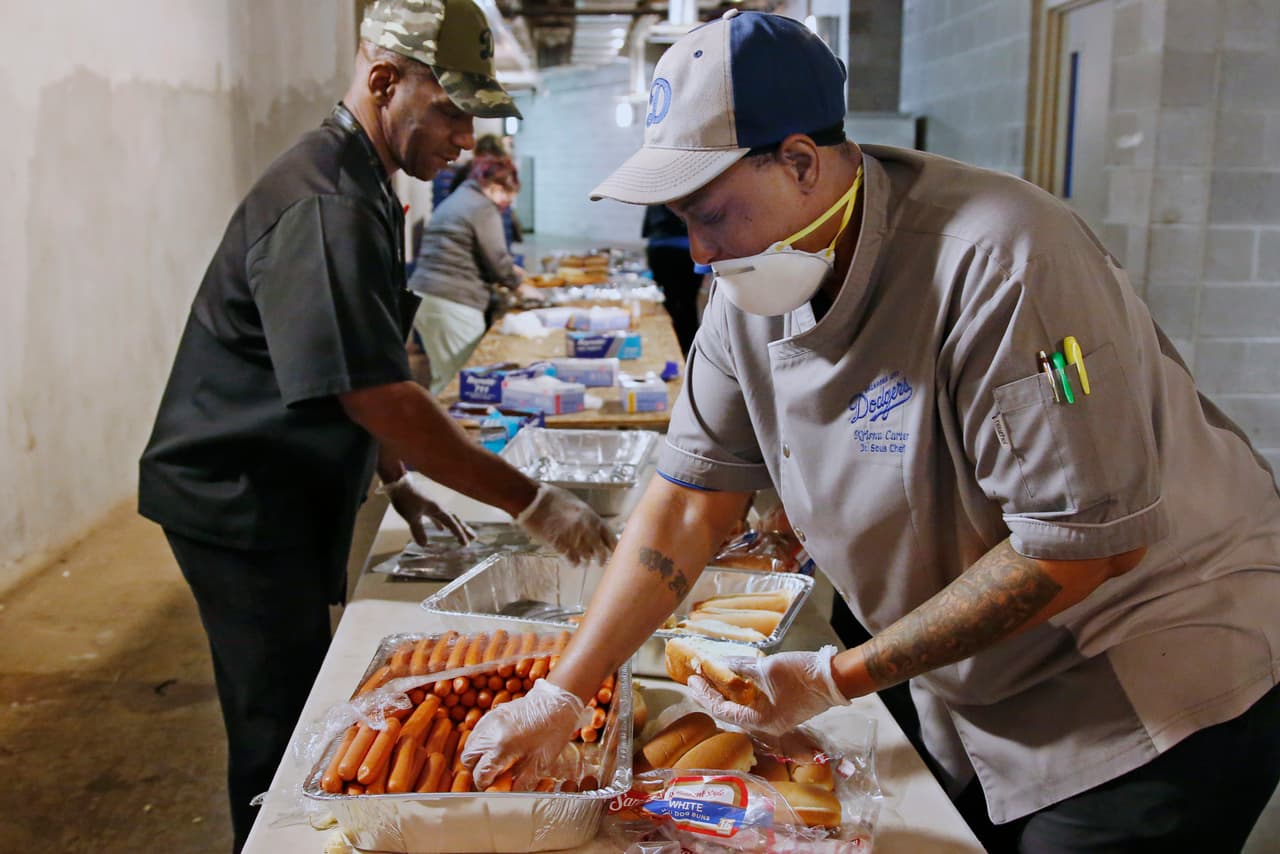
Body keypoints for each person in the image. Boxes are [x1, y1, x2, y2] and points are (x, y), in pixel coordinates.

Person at [463, 11, 1280, 852]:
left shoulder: (1001, 261)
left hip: (1143, 668)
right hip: (983, 675)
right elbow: (687, 506)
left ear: (803, 163)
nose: (700, 253)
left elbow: (1077, 545)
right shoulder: (748, 296)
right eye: (684, 221)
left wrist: (835, 676)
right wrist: (565, 690)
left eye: (712, 214)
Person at [137, 1, 613, 849]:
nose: (466, 139)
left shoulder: (363, 184)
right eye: (451, 110)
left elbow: (359, 359)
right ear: (384, 81)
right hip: (237, 494)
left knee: (303, 685)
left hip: (286, 479)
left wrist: (395, 477)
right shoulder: (325, 198)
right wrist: (534, 501)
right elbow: (375, 395)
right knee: (277, 716)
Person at [409, 153, 530, 394]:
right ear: (495, 186)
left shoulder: (461, 197)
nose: (507, 203)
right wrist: (521, 284)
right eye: (508, 195)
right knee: (458, 381)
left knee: (444, 374)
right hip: (452, 301)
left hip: (428, 295)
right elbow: (497, 260)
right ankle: (446, 430)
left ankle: (441, 426)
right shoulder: (482, 207)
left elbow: (473, 250)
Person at [642, 203, 702, 355]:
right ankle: (689, 353)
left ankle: (670, 350)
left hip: (662, 245)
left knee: (668, 302)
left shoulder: (654, 183)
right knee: (687, 303)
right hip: (685, 246)